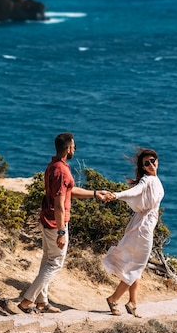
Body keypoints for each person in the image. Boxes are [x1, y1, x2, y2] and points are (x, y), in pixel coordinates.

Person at [18, 132, 109, 314]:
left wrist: (94, 193)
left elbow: (69, 191)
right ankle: (27, 300)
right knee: (55, 263)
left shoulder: (54, 166)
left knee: (47, 261)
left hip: (48, 219)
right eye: (74, 146)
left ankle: (42, 302)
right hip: (55, 223)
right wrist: (61, 231)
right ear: (68, 149)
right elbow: (60, 204)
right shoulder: (61, 171)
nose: (75, 148)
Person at [102, 148, 164, 317]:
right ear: (143, 167)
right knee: (137, 265)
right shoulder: (147, 180)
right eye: (147, 163)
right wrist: (116, 195)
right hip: (143, 228)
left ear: (157, 161)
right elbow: (134, 192)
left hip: (144, 225)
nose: (151, 164)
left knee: (137, 265)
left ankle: (132, 303)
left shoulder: (154, 179)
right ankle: (114, 299)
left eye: (153, 161)